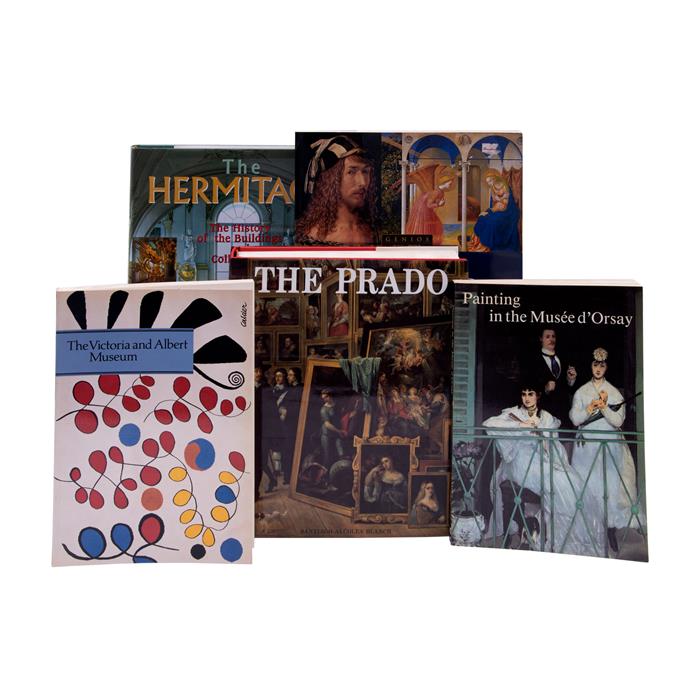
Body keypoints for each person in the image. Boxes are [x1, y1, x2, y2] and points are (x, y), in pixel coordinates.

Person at [483, 380, 597, 555]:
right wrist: (521, 425)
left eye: (531, 394)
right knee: (554, 480)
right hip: (519, 460)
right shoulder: (513, 413)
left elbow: (553, 446)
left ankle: (566, 536)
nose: (527, 398)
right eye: (524, 394)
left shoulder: (546, 417)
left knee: (570, 480)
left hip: (542, 459)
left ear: (538, 396)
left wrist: (543, 439)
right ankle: (543, 534)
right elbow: (489, 424)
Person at [569, 348, 642, 554]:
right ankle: (588, 530)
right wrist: (591, 407)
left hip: (608, 447)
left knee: (608, 488)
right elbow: (575, 419)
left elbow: (618, 420)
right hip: (586, 449)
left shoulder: (614, 392)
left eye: (602, 365)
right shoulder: (582, 392)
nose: (598, 369)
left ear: (606, 367)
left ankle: (609, 530)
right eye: (595, 365)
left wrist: (604, 407)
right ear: (590, 366)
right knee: (588, 486)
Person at [298, 135, 377, 245]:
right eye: (351, 172)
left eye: (365, 172)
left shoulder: (375, 231)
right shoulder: (313, 236)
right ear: (331, 180)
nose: (363, 182)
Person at [524, 327, 577, 428]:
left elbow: (568, 387)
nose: (551, 339)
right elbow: (528, 385)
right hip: (543, 411)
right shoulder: (532, 360)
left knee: (566, 436)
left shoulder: (563, 358)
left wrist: (571, 380)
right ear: (541, 339)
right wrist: (545, 388)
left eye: (553, 336)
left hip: (564, 411)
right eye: (547, 337)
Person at [405, 164, 456, 244]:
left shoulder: (440, 191)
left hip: (426, 209)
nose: (450, 185)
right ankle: (427, 241)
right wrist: (439, 204)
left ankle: (430, 241)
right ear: (445, 183)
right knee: (432, 225)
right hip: (424, 210)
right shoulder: (436, 192)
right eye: (449, 183)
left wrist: (440, 204)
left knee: (435, 224)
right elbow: (429, 205)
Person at [473, 168, 521, 252]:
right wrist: (488, 211)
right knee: (482, 217)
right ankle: (480, 244)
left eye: (491, 180)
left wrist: (491, 211)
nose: (489, 183)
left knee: (490, 221)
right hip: (498, 210)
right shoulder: (493, 189)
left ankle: (488, 244)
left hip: (508, 213)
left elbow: (506, 205)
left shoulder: (503, 186)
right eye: (488, 182)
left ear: (495, 178)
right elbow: (494, 206)